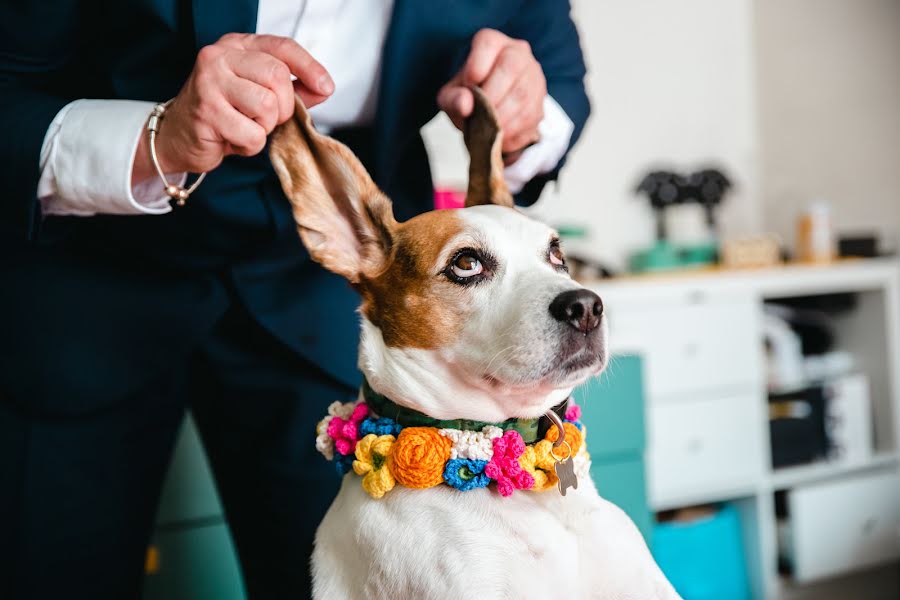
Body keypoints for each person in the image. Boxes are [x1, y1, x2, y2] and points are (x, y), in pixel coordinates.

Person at [0, 1, 589, 598]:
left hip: (342, 298)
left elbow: (561, 79)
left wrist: (527, 118)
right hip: (83, 280)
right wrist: (159, 135)